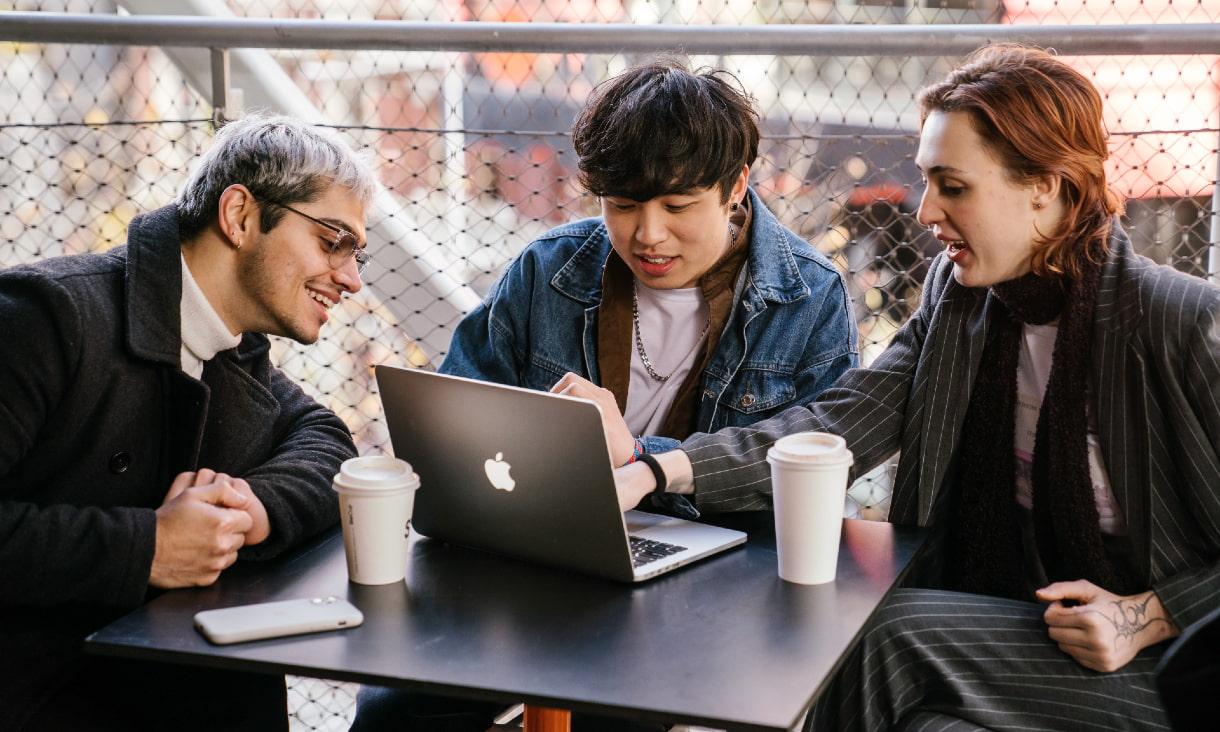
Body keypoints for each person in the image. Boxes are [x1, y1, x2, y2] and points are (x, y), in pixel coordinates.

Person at [611, 43, 1220, 730]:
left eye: (953, 186)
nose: (925, 211)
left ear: (1046, 184)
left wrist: (1147, 616)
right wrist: (654, 468)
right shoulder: (959, 299)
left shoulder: (1179, 323)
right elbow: (837, 424)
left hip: (1180, 667)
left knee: (888, 632)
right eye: (927, 181)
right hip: (1023, 632)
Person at [351, 56, 857, 731]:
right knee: (392, 713)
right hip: (538, 561)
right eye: (621, 206)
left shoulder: (808, 297)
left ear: (736, 187)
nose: (647, 234)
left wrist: (639, 458)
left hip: (708, 590)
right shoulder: (550, 267)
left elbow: (804, 484)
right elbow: (455, 409)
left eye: (677, 206)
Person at [0, 113, 383, 731]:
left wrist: (250, 507)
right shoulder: (46, 317)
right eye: (332, 240)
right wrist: (146, 548)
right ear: (239, 216)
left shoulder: (232, 346)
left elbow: (326, 440)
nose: (351, 278)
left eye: (356, 252)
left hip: (149, 669)